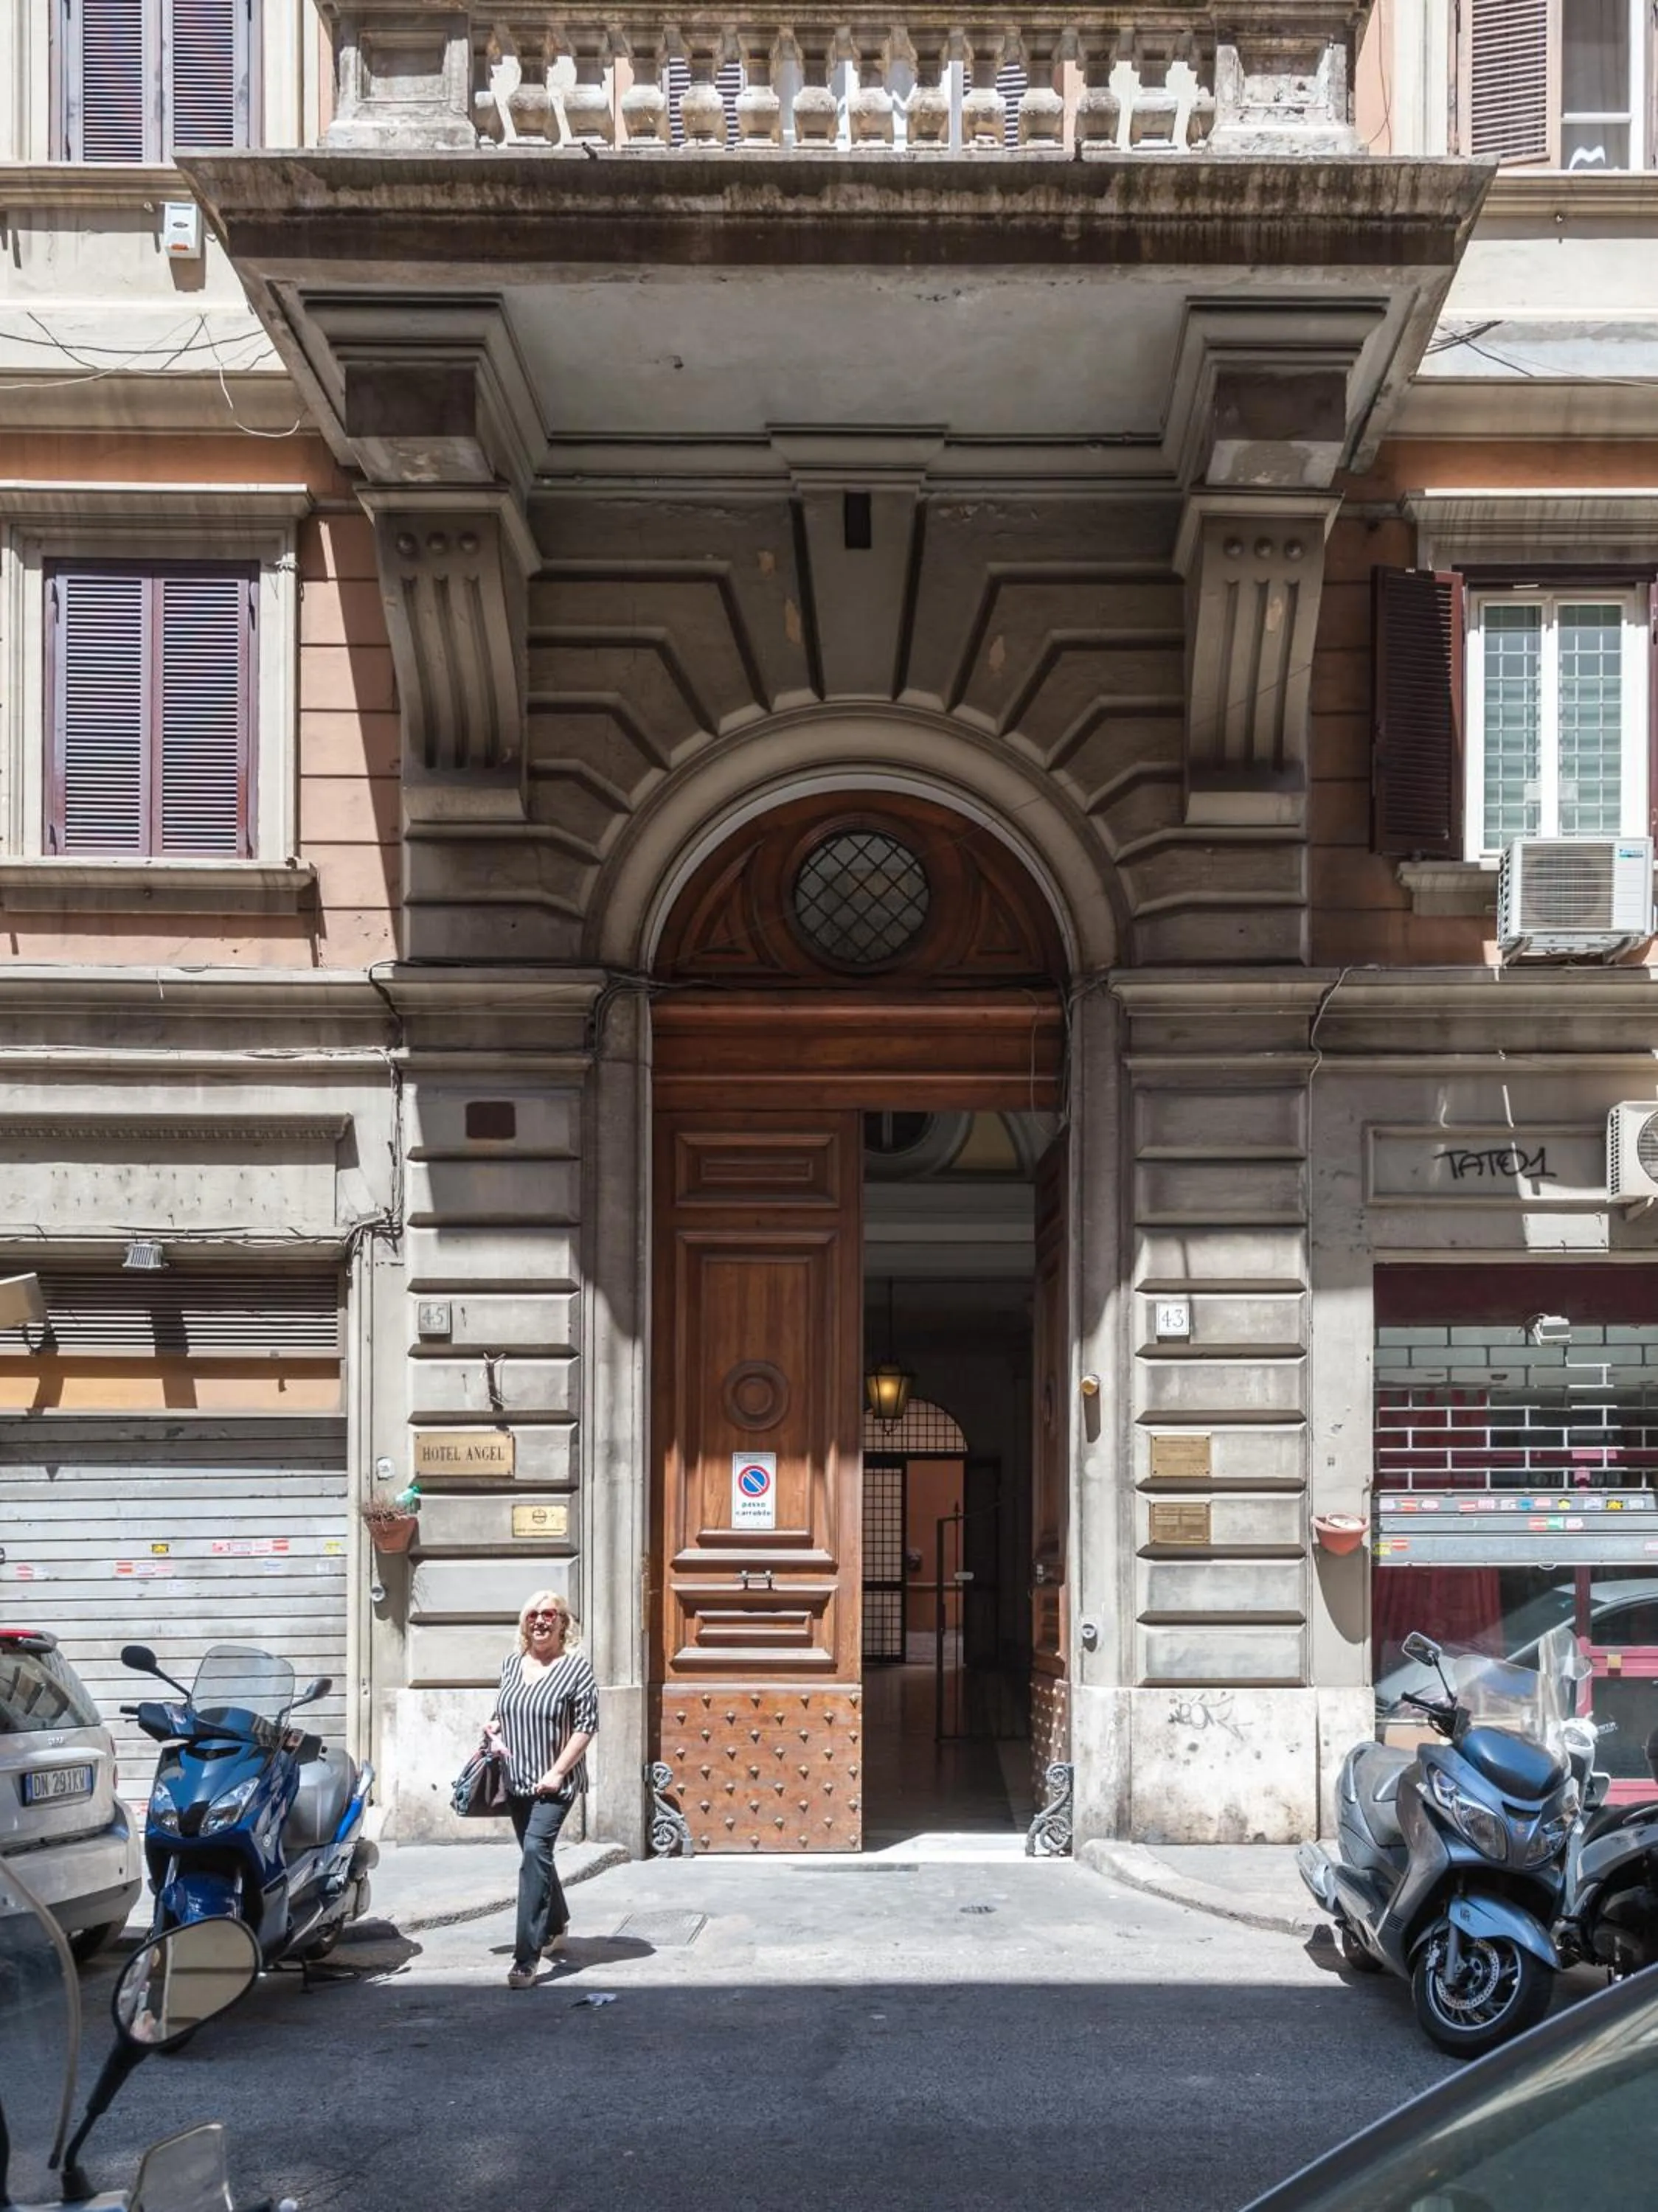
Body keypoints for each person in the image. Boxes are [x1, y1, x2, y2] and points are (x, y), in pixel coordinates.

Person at [485, 1590, 599, 1990]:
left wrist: (557, 1771)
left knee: (535, 1851)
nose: (540, 1621)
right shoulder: (512, 1665)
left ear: (563, 1623)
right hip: (515, 1778)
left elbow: (586, 1725)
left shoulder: (576, 1669)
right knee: (536, 1856)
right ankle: (556, 1922)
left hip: (555, 1782)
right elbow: (502, 1710)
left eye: (549, 1614)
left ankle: (526, 1958)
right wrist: (493, 1728)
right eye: (532, 1614)